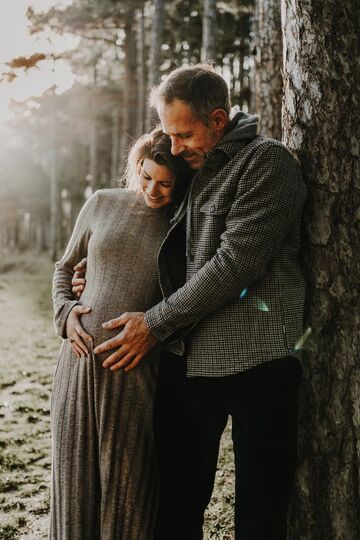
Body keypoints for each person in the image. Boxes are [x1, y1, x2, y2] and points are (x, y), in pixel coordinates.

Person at [74, 64, 307, 540]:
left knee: (260, 515)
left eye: (184, 133)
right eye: (168, 134)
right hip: (186, 363)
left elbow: (235, 264)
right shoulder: (190, 167)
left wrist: (155, 323)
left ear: (218, 121)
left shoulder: (266, 163)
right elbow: (162, 242)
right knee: (175, 509)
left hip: (257, 365)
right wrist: (96, 271)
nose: (174, 147)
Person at [50, 128, 191, 540]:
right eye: (146, 177)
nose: (153, 189)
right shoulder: (101, 204)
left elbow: (186, 297)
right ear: (137, 166)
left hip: (136, 369)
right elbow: (64, 267)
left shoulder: (183, 224)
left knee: (127, 485)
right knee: (73, 479)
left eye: (165, 183)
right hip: (76, 365)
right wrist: (66, 312)